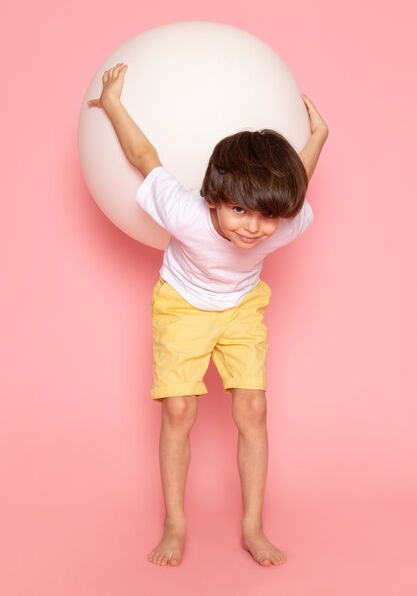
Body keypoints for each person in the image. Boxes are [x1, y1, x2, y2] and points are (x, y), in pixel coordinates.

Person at [88, 62, 328, 568]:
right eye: (240, 211)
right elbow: (143, 156)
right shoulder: (186, 213)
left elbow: (297, 181)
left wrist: (320, 135)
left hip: (242, 307)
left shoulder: (283, 222)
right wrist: (112, 104)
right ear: (215, 198)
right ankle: (175, 522)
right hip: (182, 306)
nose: (254, 227)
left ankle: (252, 527)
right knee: (178, 410)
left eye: (266, 215)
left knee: (254, 409)